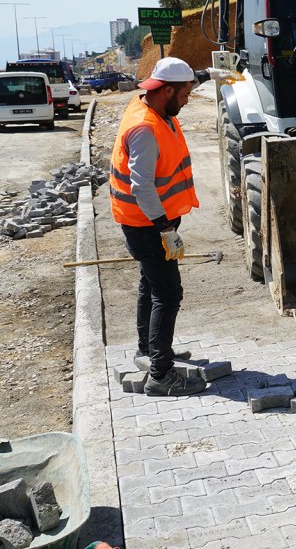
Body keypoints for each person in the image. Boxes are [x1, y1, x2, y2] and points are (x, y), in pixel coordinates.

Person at [110, 57, 241, 396]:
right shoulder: (144, 129)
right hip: (147, 224)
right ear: (167, 91)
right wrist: (166, 229)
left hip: (147, 221)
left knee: (150, 284)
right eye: (184, 96)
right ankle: (160, 375)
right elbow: (142, 187)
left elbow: (187, 79)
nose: (187, 100)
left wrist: (211, 74)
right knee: (168, 294)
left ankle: (150, 350)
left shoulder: (152, 101)